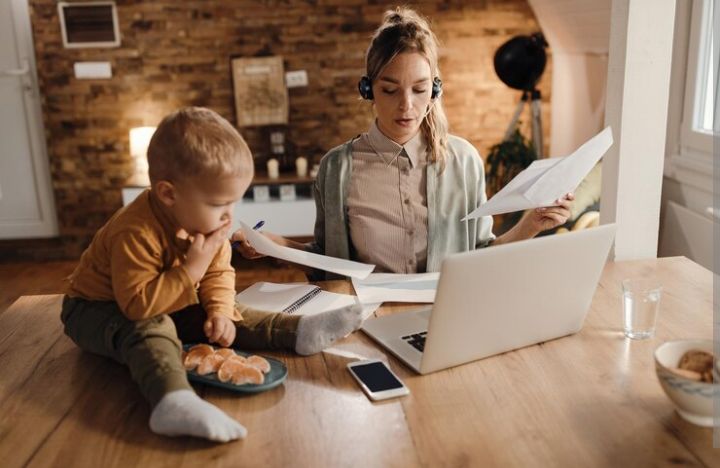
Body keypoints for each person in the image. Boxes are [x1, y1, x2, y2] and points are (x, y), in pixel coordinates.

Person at [61, 107, 363, 443]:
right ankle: (172, 400)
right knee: (151, 327)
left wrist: (219, 311)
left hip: (165, 297)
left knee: (230, 310)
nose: (228, 216)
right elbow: (138, 306)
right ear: (168, 194)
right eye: (220, 204)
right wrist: (192, 268)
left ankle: (296, 331)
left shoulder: (207, 222)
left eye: (234, 203)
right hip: (97, 310)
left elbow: (219, 272)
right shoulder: (135, 232)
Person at [233, 7, 572, 277]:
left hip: (443, 318)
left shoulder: (464, 160)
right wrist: (275, 245)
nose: (407, 105)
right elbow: (328, 261)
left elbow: (480, 258)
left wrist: (532, 225)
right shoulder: (336, 168)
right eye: (390, 90)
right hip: (363, 321)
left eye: (420, 89)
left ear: (435, 89)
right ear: (368, 90)